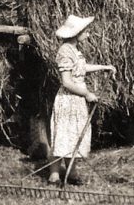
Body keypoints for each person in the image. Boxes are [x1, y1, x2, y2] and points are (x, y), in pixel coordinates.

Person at [48, 15, 116, 186]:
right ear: (76, 33)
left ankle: (71, 172)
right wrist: (86, 94)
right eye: (86, 31)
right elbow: (67, 82)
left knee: (75, 135)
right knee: (62, 135)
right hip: (68, 99)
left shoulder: (74, 50)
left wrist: (103, 67)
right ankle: (54, 175)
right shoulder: (64, 51)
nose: (88, 34)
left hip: (76, 99)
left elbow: (81, 68)